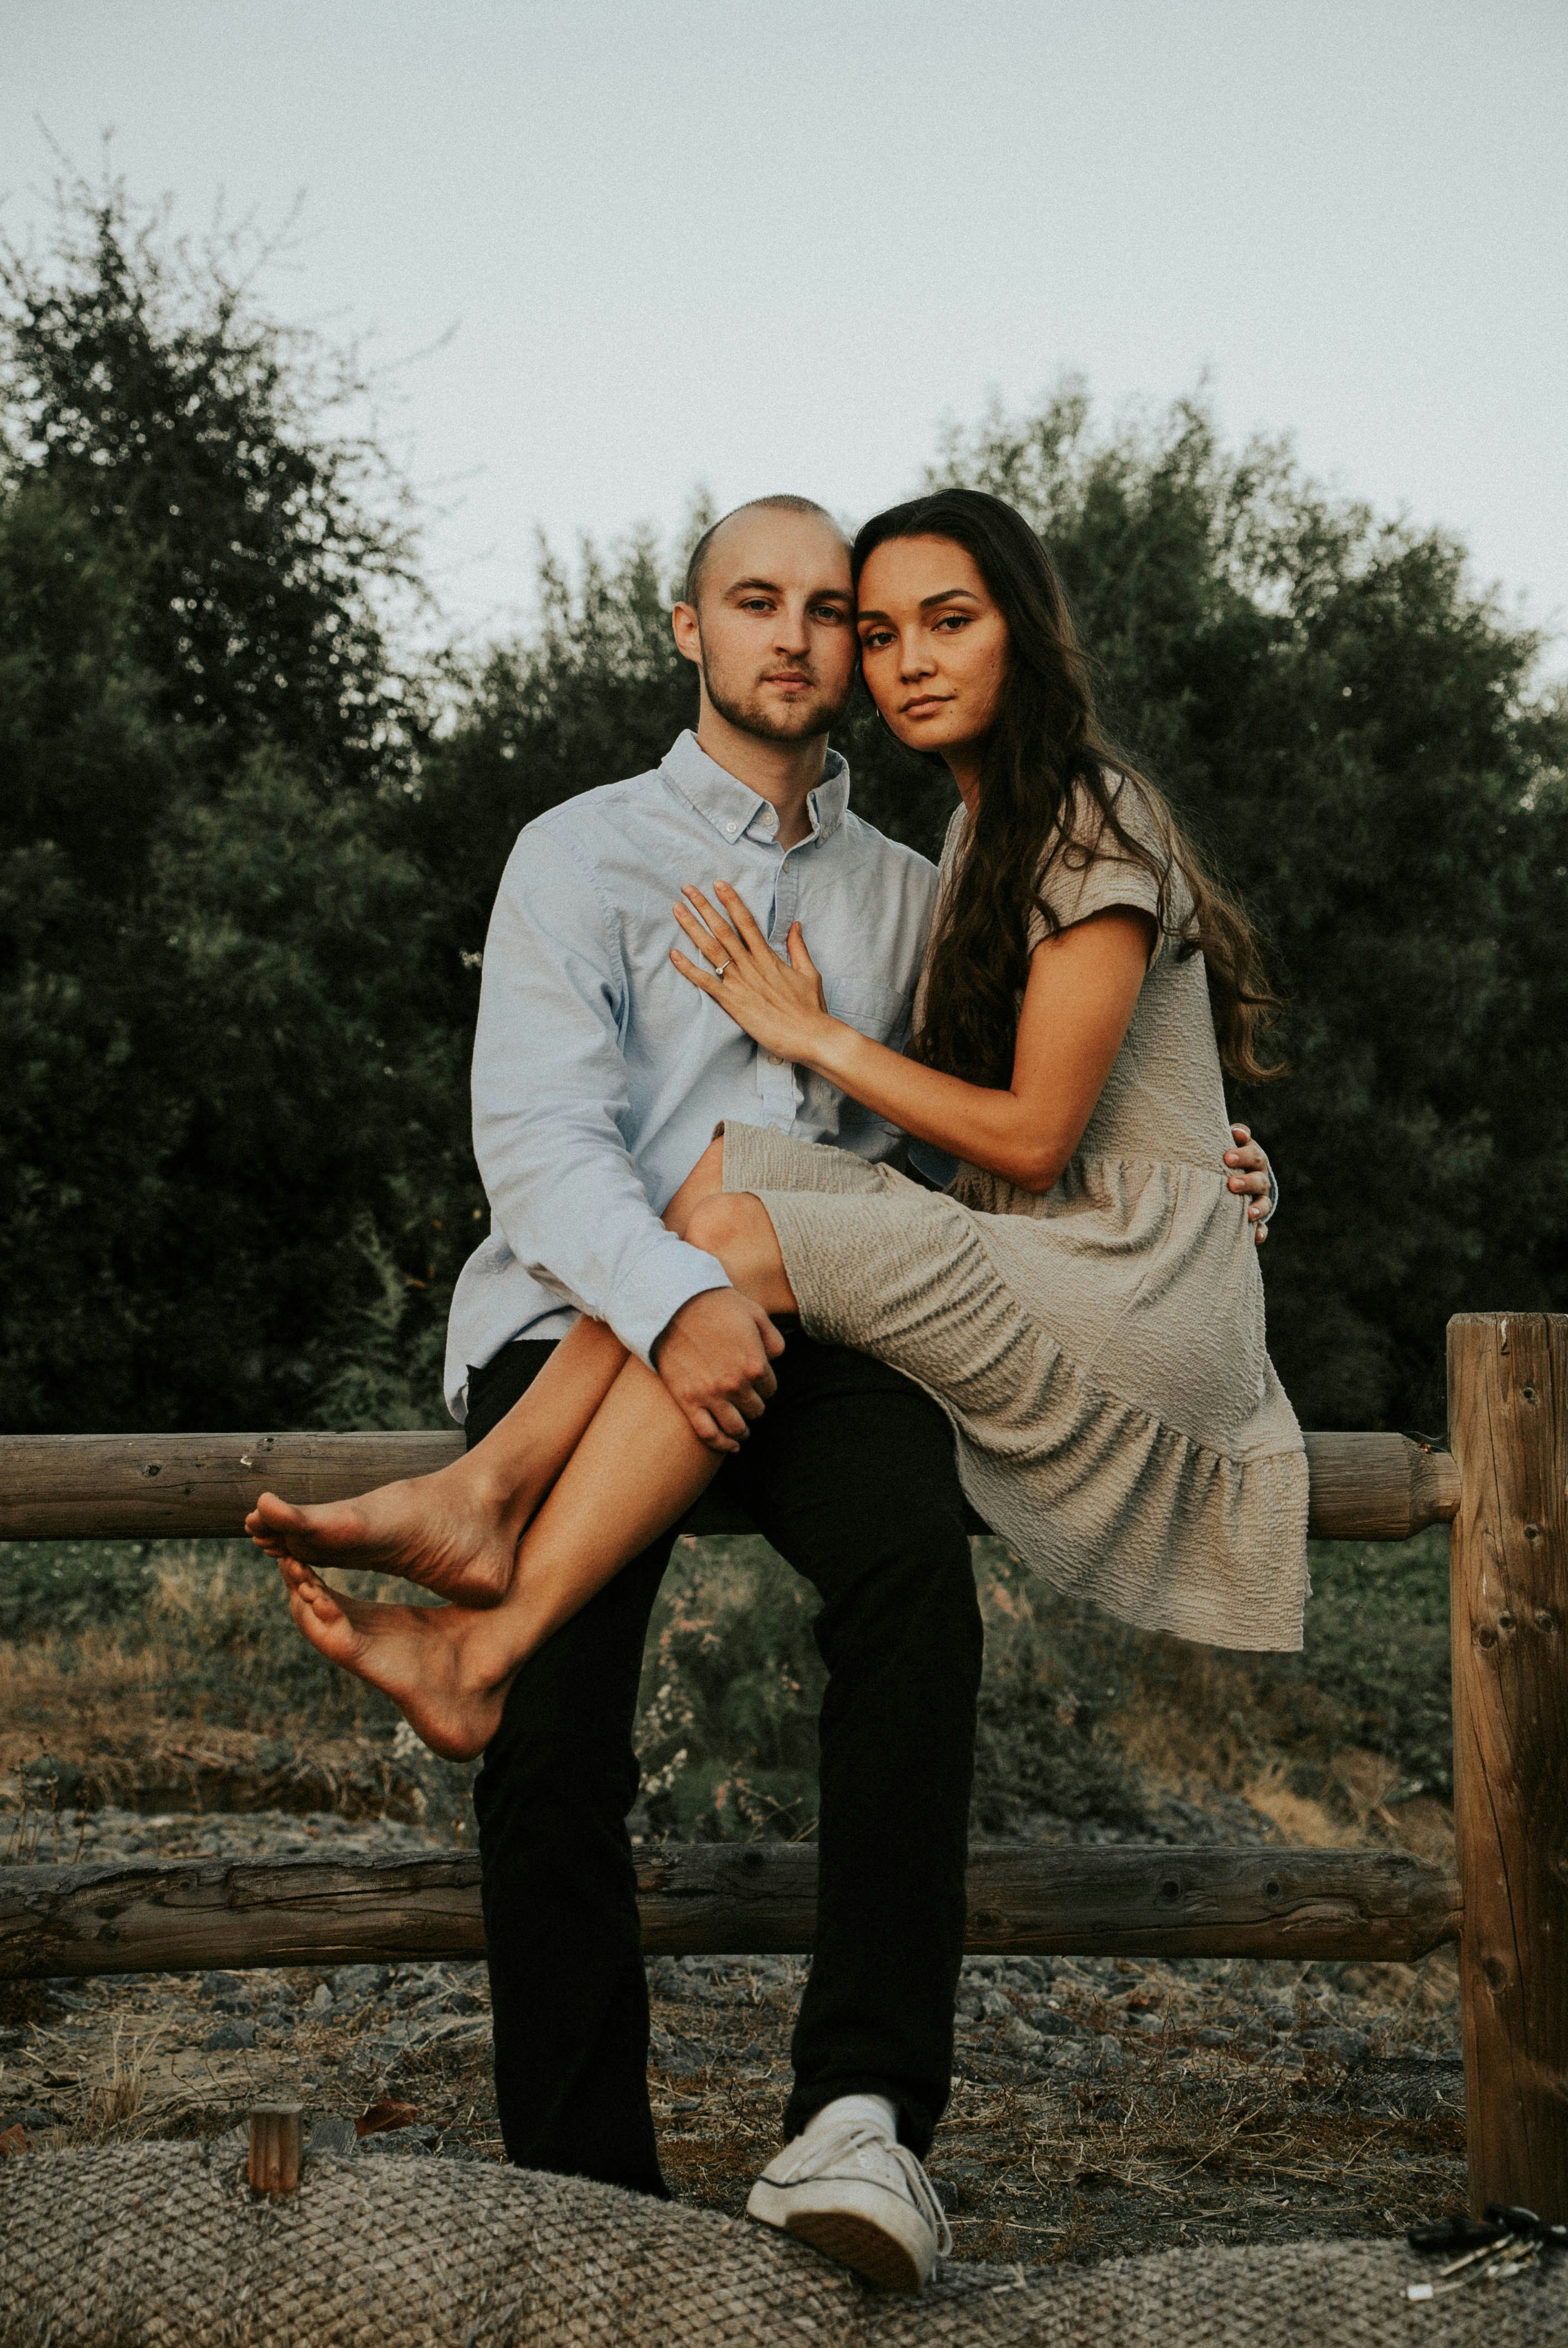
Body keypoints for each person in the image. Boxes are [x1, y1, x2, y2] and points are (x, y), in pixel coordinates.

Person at [247, 490, 1284, 2294]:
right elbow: (542, 1155)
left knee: (908, 1586)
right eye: (771, 605)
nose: (818, 643)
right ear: (689, 629)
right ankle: (585, 2214)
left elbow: (1008, 1138)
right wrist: (670, 1298)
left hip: (811, 1316)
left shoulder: (926, 882)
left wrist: (1201, 1173)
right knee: (558, 1728)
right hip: (588, 1312)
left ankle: (866, 2118)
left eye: (850, 614)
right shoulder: (578, 853)